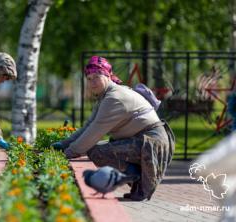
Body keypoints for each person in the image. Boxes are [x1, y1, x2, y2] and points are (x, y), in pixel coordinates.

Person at [52, 56, 175, 201]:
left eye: (96, 77)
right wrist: (64, 144)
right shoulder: (106, 96)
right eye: (89, 78)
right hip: (143, 140)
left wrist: (68, 153)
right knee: (94, 149)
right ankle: (136, 178)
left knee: (96, 152)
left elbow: (93, 133)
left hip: (151, 142)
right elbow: (87, 127)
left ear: (107, 75)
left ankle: (137, 177)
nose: (92, 82)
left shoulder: (114, 98)